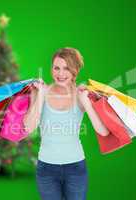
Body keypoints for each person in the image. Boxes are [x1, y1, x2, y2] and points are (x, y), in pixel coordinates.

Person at [23, 47, 109, 200]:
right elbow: (28, 128)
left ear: (75, 70)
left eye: (66, 68)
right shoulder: (40, 91)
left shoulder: (81, 95)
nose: (60, 74)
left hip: (75, 168)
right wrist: (41, 96)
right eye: (56, 68)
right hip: (46, 169)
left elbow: (103, 131)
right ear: (51, 69)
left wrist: (86, 103)